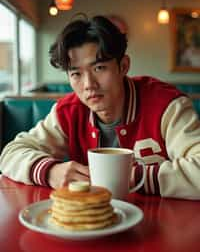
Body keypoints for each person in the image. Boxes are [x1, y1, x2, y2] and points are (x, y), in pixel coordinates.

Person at [1, 15, 200, 200]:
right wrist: (50, 172)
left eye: (99, 68)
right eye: (76, 74)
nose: (88, 84)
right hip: (91, 227)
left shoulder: (167, 105)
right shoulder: (69, 111)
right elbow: (11, 153)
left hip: (163, 225)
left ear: (123, 66)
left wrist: (134, 177)